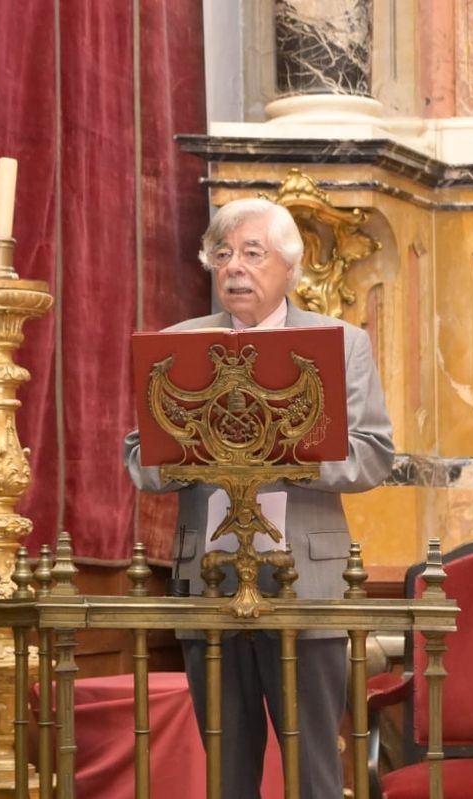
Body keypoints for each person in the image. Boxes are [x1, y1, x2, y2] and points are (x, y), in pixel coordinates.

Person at [122, 197, 395, 798]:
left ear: (290, 267)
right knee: (226, 773)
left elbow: (374, 453)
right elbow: (142, 460)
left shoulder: (340, 342)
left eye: (252, 253)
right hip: (209, 581)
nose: (235, 267)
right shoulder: (176, 344)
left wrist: (282, 450)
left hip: (308, 583)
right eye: (222, 255)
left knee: (314, 771)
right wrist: (199, 449)